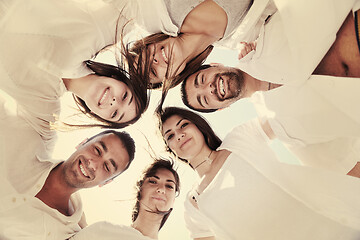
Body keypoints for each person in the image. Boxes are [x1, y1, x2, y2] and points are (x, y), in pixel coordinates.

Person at [157, 106, 360, 240]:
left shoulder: (239, 139)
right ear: (171, 149)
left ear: (199, 126)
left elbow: (284, 116)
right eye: (170, 136)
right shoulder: (193, 203)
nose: (180, 135)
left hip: (334, 223)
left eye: (183, 125)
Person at [0, 0, 149, 151]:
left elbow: (37, 151)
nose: (114, 102)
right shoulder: (97, 34)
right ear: (118, 79)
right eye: (124, 96)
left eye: (115, 113)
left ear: (96, 115)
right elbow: (138, 10)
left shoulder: (45, 105)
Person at [180, 62, 360, 174]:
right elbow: (347, 169)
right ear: (222, 108)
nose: (209, 88)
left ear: (215, 64)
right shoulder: (283, 127)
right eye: (204, 99)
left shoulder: (262, 45)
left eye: (202, 79)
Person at [0, 95, 136, 240]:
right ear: (82, 143)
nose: (93, 163)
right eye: (97, 150)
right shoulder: (29, 139)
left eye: (107, 167)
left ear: (105, 182)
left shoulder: (69, 235)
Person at [121, 0, 277, 90]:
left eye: (146, 54)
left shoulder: (169, 6)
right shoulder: (239, 39)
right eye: (153, 71)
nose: (153, 61)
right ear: (171, 78)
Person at [70, 158, 180, 240]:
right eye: (153, 181)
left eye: (169, 186)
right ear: (140, 189)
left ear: (173, 201)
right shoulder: (103, 231)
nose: (161, 189)